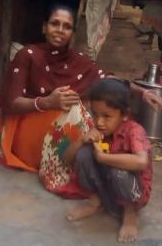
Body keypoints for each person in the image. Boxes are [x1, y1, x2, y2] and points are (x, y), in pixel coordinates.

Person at [0, 5, 162, 197]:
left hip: (59, 135)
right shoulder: (28, 55)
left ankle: (89, 165)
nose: (60, 30)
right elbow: (12, 102)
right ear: (44, 27)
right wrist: (47, 102)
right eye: (55, 24)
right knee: (76, 109)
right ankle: (60, 170)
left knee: (93, 113)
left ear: (72, 33)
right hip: (27, 132)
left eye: (66, 27)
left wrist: (142, 92)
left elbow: (106, 78)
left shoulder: (78, 60)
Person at [64, 79, 152, 243]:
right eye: (95, 114)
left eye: (106, 116)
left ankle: (130, 213)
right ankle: (95, 201)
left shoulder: (134, 131)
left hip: (133, 191)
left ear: (125, 114)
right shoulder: (97, 128)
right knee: (83, 154)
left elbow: (141, 162)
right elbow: (67, 160)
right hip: (107, 189)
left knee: (117, 170)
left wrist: (104, 158)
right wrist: (83, 140)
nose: (99, 122)